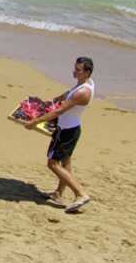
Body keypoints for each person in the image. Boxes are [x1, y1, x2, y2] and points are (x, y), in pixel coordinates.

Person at [40, 56, 95, 213]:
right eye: (75, 68)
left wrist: (35, 121)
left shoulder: (84, 92)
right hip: (70, 129)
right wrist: (55, 99)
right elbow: (69, 94)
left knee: (52, 164)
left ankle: (80, 193)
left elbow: (60, 110)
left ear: (87, 72)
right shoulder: (85, 83)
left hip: (66, 132)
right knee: (66, 162)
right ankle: (58, 194)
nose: (74, 72)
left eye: (78, 70)